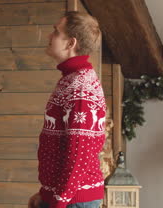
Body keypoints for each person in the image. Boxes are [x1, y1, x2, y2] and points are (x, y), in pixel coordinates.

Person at [28, 12, 106, 208]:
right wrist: (45, 193)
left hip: (73, 201)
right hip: (64, 196)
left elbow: (80, 154)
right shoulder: (70, 79)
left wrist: (58, 201)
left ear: (70, 43)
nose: (49, 36)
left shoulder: (80, 87)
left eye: (56, 32)